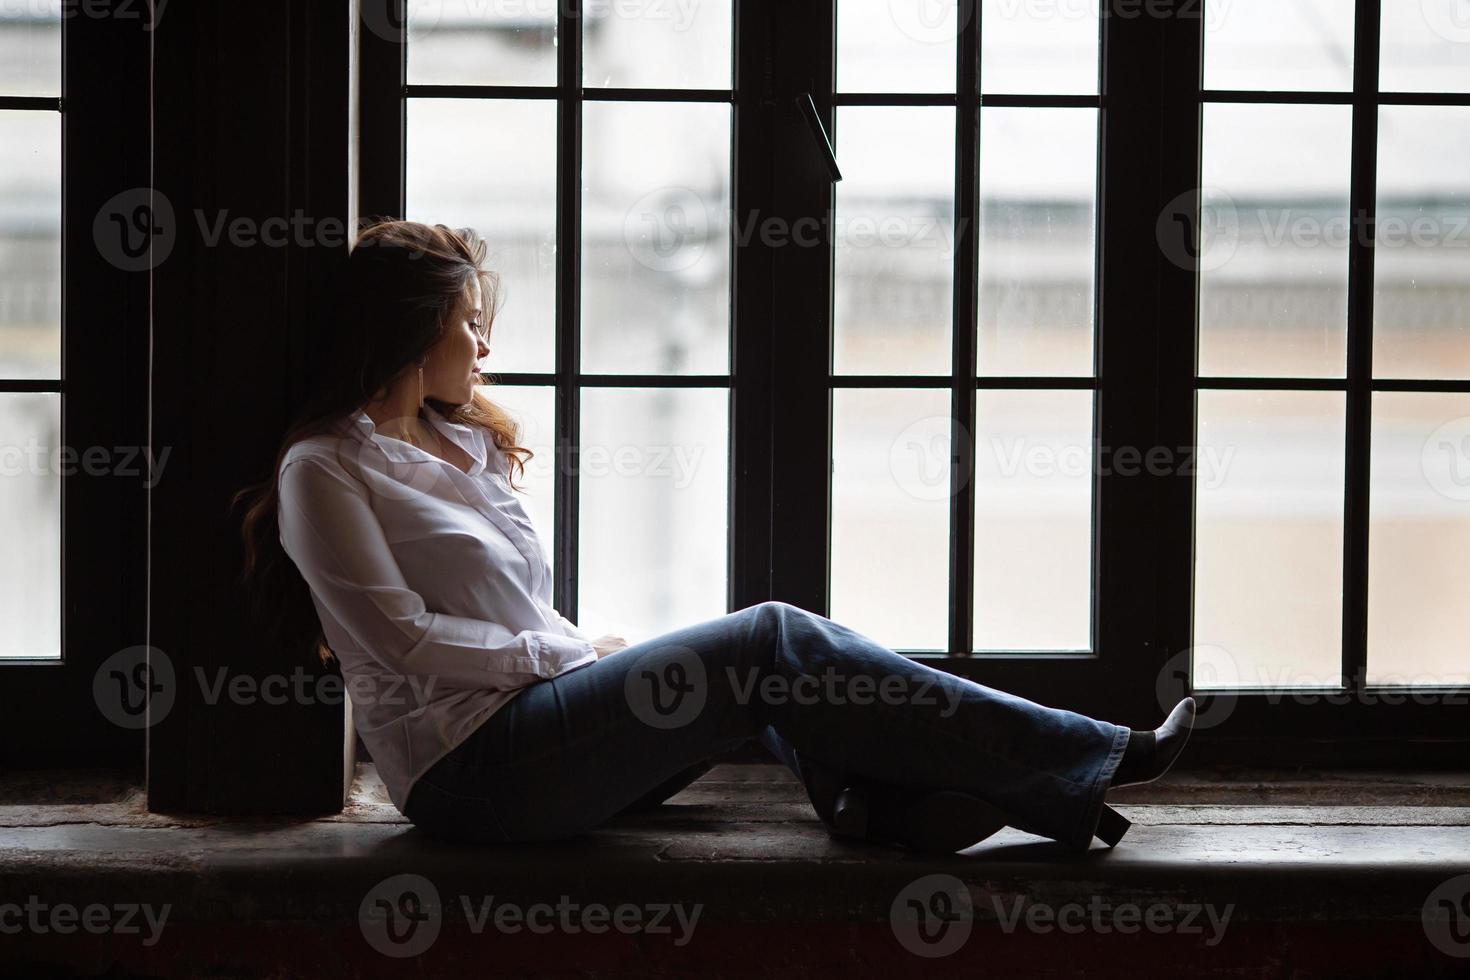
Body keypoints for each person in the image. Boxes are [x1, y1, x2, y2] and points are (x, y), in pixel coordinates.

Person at [234, 219, 1195, 855]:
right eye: (467, 325)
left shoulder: (454, 442)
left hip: (535, 715)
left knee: (750, 684)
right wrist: (564, 653)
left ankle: (878, 808)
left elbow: (505, 603)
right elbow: (399, 637)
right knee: (768, 638)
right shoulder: (322, 468)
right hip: (468, 774)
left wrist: (575, 652)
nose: (484, 348)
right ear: (411, 332)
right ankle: (1098, 756)